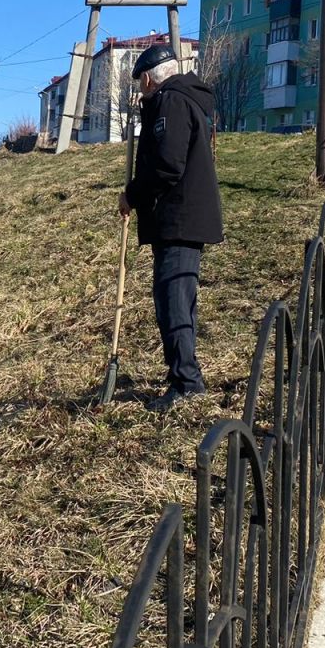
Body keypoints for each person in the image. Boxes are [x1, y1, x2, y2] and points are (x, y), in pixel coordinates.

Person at [118, 43, 224, 414]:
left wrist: (132, 194)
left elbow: (167, 166)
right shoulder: (183, 99)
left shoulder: (171, 103)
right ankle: (184, 374)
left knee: (173, 303)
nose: (140, 91)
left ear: (148, 77)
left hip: (178, 220)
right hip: (183, 220)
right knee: (177, 301)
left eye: (139, 84)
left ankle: (187, 383)